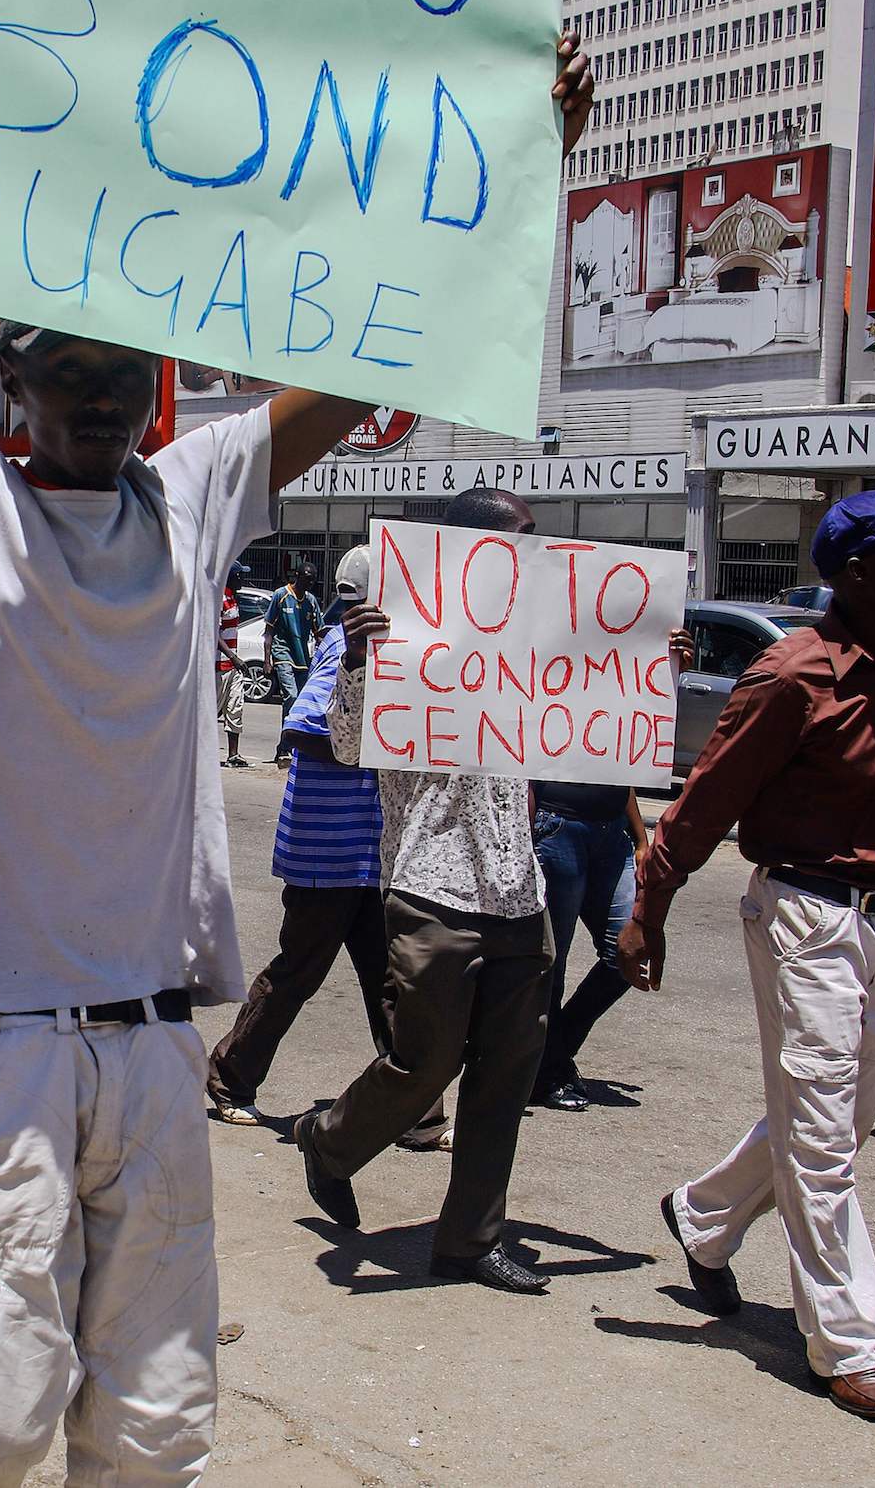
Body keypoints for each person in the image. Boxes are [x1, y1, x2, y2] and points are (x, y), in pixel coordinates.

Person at [0, 0, 593, 1486]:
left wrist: (520, 157)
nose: (97, 401)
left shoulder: (199, 491)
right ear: (12, 383)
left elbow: (381, 351)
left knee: (154, 1441)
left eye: (124, 373)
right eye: (64, 373)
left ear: (160, 380)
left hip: (154, 1049)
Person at [622, 490, 875, 1424]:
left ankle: (705, 1214)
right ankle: (843, 1338)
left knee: (841, 1117)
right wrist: (651, 905)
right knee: (825, 1136)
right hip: (803, 914)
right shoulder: (792, 673)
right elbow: (708, 797)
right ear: (861, 571)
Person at [292, 491, 560, 1295]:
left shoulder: (534, 638)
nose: (529, 557)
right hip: (431, 881)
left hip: (518, 889)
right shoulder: (396, 630)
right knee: (424, 1062)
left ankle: (469, 1241)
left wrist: (648, 667)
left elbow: (588, 720)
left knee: (507, 1074)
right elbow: (345, 740)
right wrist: (361, 658)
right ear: (462, 553)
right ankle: (329, 1141)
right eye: (515, 542)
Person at [209, 544, 449, 1151]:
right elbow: (303, 732)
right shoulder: (347, 650)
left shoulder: (379, 651)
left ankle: (414, 1114)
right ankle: (228, 1079)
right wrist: (381, 745)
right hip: (330, 853)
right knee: (301, 972)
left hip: (366, 853)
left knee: (390, 981)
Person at [527, 782, 650, 1112]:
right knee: (551, 963)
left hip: (613, 834)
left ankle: (554, 1052)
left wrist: (640, 838)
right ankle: (549, 1072)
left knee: (627, 952)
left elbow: (621, 766)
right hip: (557, 827)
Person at [264, 562, 325, 765]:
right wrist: (267, 660)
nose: (310, 582)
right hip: (282, 653)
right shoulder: (280, 595)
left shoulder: (310, 601)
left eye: (313, 580)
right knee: (291, 696)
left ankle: (286, 745)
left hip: (303, 660)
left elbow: (319, 633)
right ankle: (286, 747)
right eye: (307, 578)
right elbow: (269, 630)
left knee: (301, 703)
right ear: (298, 576)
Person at [217, 561, 248, 768]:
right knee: (212, 711)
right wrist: (232, 656)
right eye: (240, 576)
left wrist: (235, 659)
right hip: (218, 666)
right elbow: (212, 633)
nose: (242, 579)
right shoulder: (219, 599)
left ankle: (233, 755)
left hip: (234, 665)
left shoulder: (233, 599)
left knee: (235, 706)